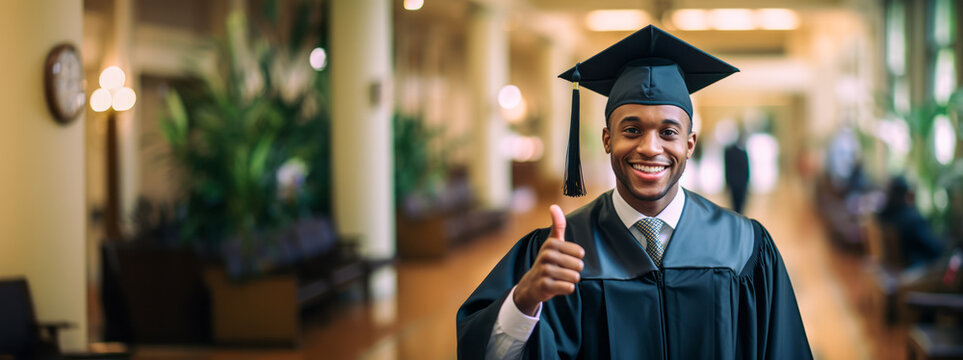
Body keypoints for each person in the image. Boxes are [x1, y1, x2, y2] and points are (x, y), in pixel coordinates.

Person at [456, 25, 811, 359]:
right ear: (607, 139)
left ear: (690, 144)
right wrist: (524, 300)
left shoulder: (744, 246)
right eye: (631, 130)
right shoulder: (558, 253)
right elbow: (484, 351)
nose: (650, 148)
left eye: (668, 133)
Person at [724, 127, 751, 213]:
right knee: (735, 205)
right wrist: (727, 183)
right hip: (734, 184)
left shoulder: (743, 152)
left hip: (742, 184)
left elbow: (746, 169)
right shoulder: (729, 151)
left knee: (741, 206)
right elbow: (727, 169)